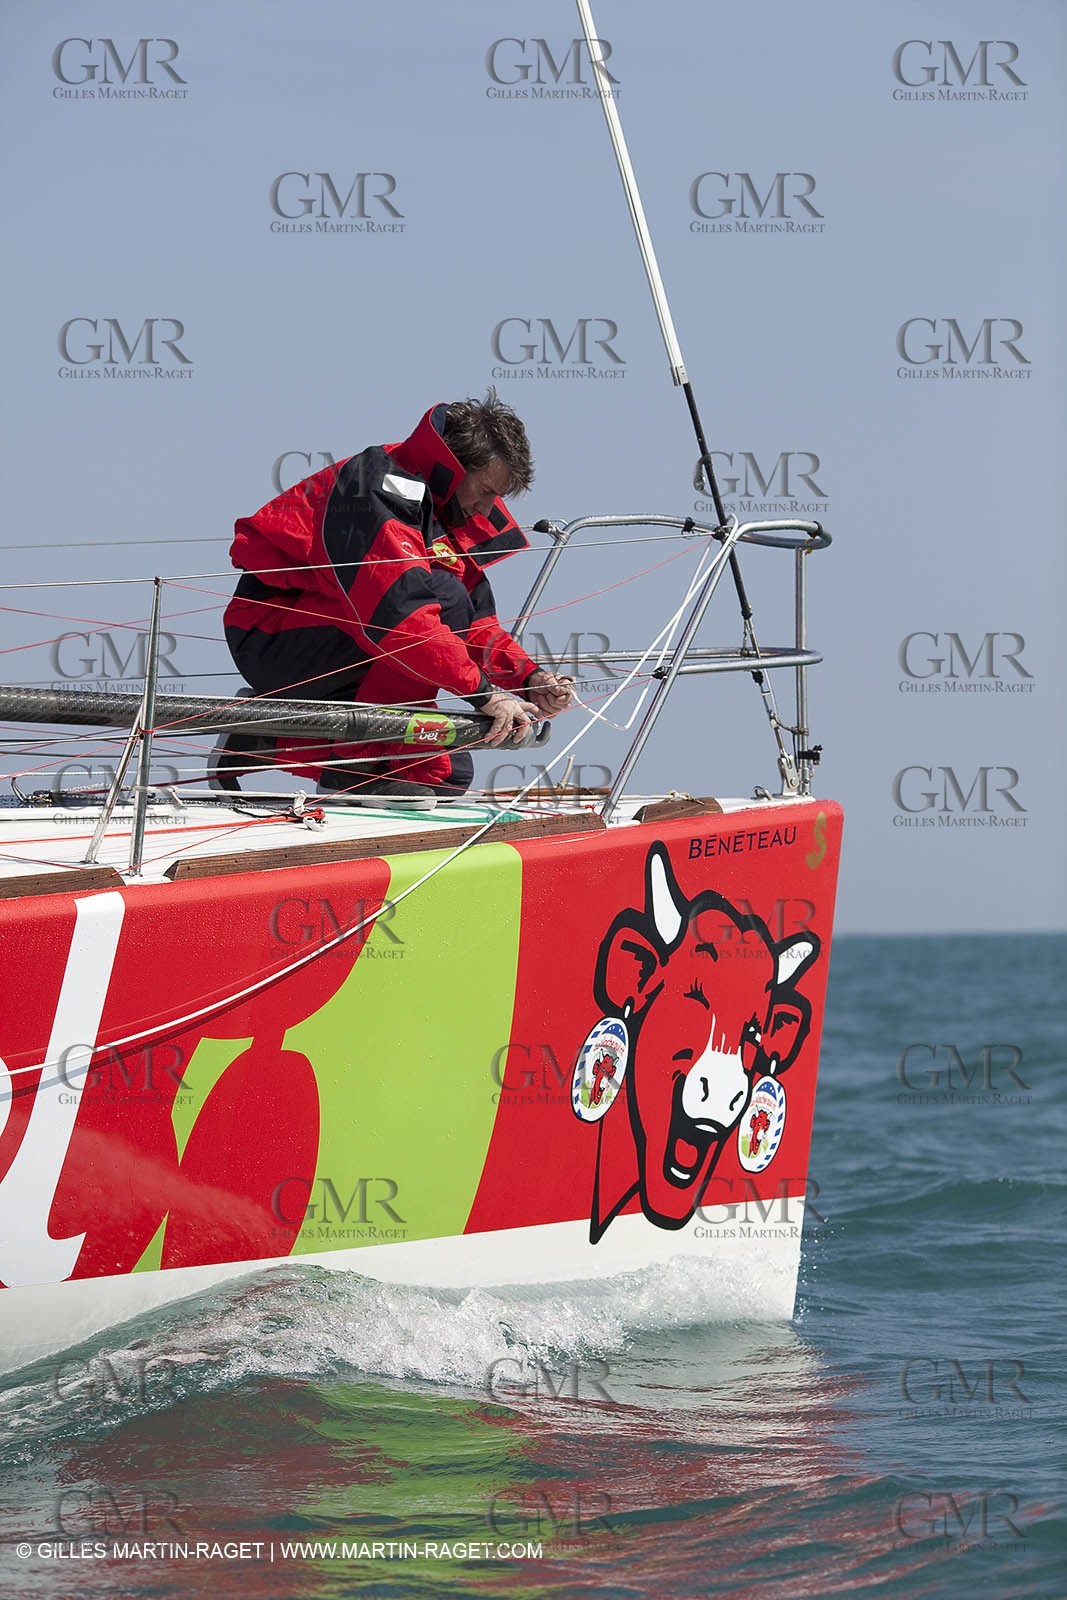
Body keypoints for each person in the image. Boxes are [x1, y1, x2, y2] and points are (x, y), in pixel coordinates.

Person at [223, 392, 573, 806]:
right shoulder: (376, 491)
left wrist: (530, 680)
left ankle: (265, 734)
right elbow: (402, 619)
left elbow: (476, 624)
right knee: (441, 599)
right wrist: (485, 694)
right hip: (271, 633)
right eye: (484, 490)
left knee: (448, 774)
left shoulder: (444, 508)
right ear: (451, 468)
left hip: (348, 632)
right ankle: (349, 772)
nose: (486, 507)